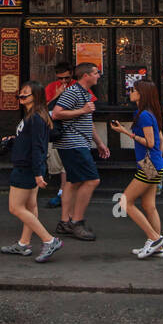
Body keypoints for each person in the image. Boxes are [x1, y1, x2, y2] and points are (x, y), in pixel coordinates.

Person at [2, 80, 62, 263]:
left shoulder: (35, 117)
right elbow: (33, 142)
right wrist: (14, 141)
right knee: (30, 206)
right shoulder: (35, 115)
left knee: (15, 207)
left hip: (26, 167)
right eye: (20, 94)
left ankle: (49, 240)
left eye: (25, 94)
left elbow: (38, 146)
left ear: (35, 97)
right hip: (29, 165)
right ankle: (23, 243)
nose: (21, 97)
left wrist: (37, 172)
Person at [50, 63, 110, 241]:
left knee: (73, 181)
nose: (98, 76)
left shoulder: (85, 93)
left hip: (79, 142)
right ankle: (77, 221)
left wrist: (98, 142)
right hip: (72, 142)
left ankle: (64, 221)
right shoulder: (73, 92)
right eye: (95, 73)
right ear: (86, 76)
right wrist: (82, 110)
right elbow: (56, 114)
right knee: (92, 180)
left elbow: (86, 120)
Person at [110, 78, 163, 259]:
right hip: (154, 164)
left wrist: (126, 133)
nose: (130, 92)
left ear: (141, 94)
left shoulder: (143, 115)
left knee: (125, 202)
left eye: (133, 90)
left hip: (148, 164)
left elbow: (150, 142)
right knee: (149, 205)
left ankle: (154, 239)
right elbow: (161, 139)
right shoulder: (147, 112)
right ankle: (157, 246)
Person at [44, 61, 72, 209]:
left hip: (71, 130)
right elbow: (44, 108)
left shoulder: (77, 86)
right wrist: (57, 94)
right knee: (57, 163)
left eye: (66, 78)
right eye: (60, 78)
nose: (64, 81)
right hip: (55, 130)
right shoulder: (50, 88)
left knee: (67, 164)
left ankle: (63, 193)